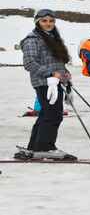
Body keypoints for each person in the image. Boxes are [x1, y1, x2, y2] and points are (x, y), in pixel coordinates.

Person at [14, 9, 76, 160]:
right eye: (44, 21)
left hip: (55, 81)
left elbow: (55, 62)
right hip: (44, 82)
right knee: (53, 115)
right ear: (37, 22)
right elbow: (30, 63)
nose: (48, 24)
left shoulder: (53, 38)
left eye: (51, 21)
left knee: (46, 114)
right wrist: (51, 73)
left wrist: (64, 73)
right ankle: (45, 147)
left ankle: (35, 147)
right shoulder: (32, 39)